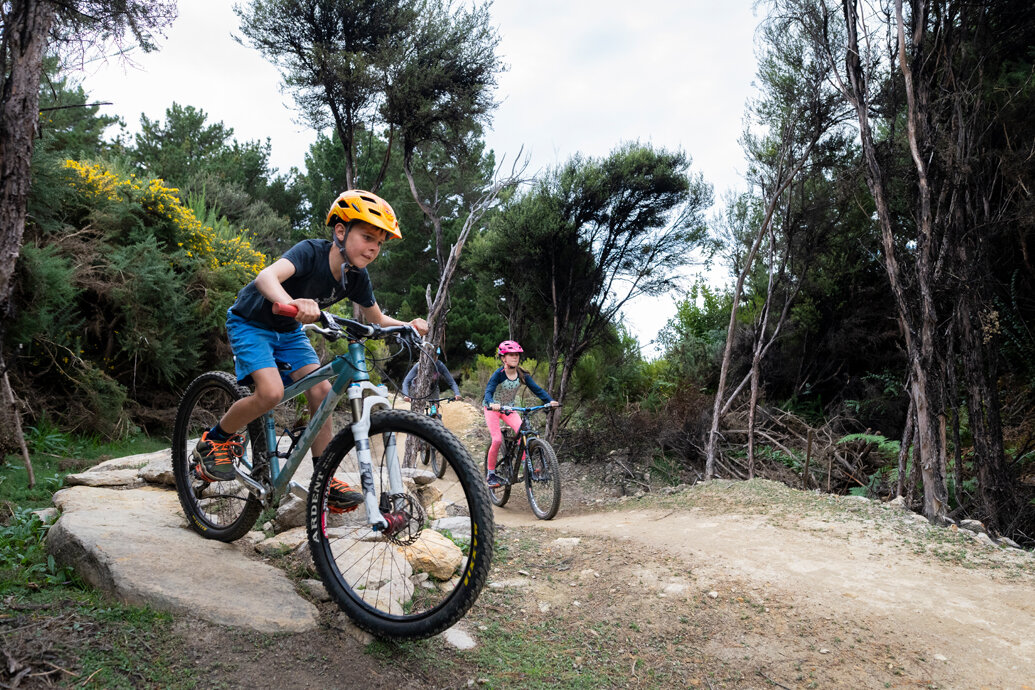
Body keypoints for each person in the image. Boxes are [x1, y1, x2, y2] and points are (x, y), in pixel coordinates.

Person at [193, 190, 428, 513]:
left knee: (322, 391)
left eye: (380, 242)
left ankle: (324, 480)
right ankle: (215, 440)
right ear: (341, 231)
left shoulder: (357, 277)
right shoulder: (310, 252)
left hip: (289, 332)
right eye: (368, 236)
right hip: (251, 323)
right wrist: (291, 303)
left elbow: (376, 319)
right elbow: (266, 277)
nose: (374, 247)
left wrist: (407, 324)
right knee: (271, 393)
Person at [482, 340, 559, 488]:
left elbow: (537, 389)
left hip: (509, 409)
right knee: (497, 440)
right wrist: (491, 403)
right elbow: (488, 391)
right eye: (511, 355)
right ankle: (491, 474)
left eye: (516, 355)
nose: (515, 357)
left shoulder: (522, 375)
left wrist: (550, 401)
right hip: (492, 409)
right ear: (503, 358)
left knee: (523, 435)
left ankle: (527, 468)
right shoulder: (498, 375)